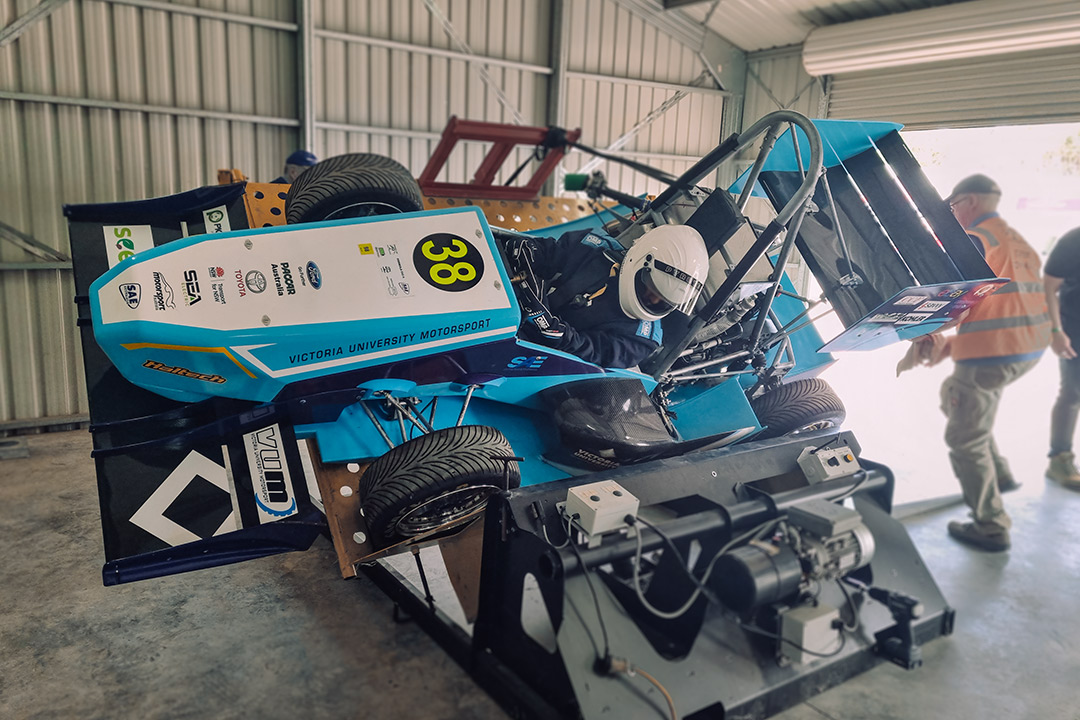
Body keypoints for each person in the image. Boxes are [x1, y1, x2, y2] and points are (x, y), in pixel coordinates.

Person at [913, 174, 1051, 551]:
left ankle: (991, 526)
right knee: (960, 398)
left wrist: (919, 331)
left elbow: (959, 302)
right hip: (1029, 345)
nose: (952, 215)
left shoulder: (974, 240)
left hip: (995, 349)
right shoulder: (1013, 239)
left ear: (969, 201)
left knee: (964, 434)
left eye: (953, 206)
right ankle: (1001, 477)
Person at [508, 224, 709, 369]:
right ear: (638, 259)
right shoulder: (594, 247)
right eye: (650, 289)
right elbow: (540, 251)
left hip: (533, 358)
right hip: (508, 309)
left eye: (664, 301)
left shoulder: (642, 340)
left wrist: (550, 327)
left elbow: (587, 351)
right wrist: (526, 258)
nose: (653, 301)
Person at [1042, 226, 1080, 490]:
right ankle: (1060, 459)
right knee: (1072, 393)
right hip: (1075, 330)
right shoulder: (1073, 240)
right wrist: (1055, 331)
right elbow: (1048, 287)